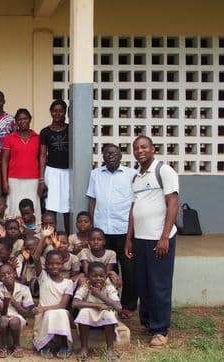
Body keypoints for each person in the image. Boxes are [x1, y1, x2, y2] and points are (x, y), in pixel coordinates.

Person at [125, 135, 179, 348]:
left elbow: (173, 203)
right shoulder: (136, 176)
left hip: (159, 239)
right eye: (136, 148)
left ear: (153, 149)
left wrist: (164, 236)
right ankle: (148, 322)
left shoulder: (163, 171)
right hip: (140, 239)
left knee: (159, 284)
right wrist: (129, 238)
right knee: (144, 283)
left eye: (144, 147)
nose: (140, 151)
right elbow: (133, 209)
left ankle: (160, 330)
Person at [87, 143, 137, 316]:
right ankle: (109, 302)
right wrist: (92, 228)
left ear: (121, 156)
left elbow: (133, 204)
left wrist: (131, 231)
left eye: (114, 153)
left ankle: (128, 306)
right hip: (103, 231)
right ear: (103, 157)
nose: (110, 156)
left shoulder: (131, 175)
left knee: (128, 268)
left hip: (124, 229)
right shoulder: (95, 174)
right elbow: (92, 200)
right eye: (107, 154)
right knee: (107, 269)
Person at [73, 262, 122, 361]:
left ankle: (110, 349)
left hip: (104, 314)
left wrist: (100, 295)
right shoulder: (85, 286)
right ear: (88, 276)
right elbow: (75, 303)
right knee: (84, 312)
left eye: (101, 276)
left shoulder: (109, 287)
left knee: (109, 313)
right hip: (90, 313)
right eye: (94, 276)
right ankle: (84, 348)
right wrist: (97, 305)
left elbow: (118, 307)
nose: (98, 278)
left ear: (106, 277)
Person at [31, 248, 74, 359]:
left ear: (63, 264)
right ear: (45, 265)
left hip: (57, 313)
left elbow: (63, 305)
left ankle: (64, 345)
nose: (54, 266)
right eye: (50, 264)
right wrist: (44, 237)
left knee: (62, 312)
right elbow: (35, 257)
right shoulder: (43, 278)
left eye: (58, 263)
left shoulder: (68, 283)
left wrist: (43, 308)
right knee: (51, 314)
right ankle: (46, 345)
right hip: (44, 317)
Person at [2, 108, 42, 222]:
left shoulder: (38, 138)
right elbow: (4, 160)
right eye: (19, 119)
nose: (22, 121)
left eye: (25, 118)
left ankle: (34, 233)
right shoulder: (9, 138)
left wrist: (41, 180)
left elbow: (42, 159)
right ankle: (14, 231)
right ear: (16, 121)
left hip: (33, 179)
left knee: (32, 205)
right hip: (13, 179)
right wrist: (4, 181)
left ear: (30, 119)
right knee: (14, 206)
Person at [39, 99, 71, 233]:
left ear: (65, 112)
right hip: (51, 172)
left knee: (68, 207)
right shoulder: (45, 132)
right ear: (51, 112)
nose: (58, 113)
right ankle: (51, 238)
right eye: (55, 111)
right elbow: (42, 155)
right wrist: (41, 179)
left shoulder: (71, 129)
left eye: (61, 111)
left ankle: (68, 238)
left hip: (68, 172)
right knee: (51, 207)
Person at [0, 263, 34, 359]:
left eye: (9, 273)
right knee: (4, 319)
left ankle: (17, 345)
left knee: (14, 321)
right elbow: (2, 313)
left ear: (14, 274)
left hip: (19, 317)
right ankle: (3, 346)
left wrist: (13, 300)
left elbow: (26, 313)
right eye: (3, 275)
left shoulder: (25, 289)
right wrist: (6, 302)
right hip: (2, 317)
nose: (6, 276)